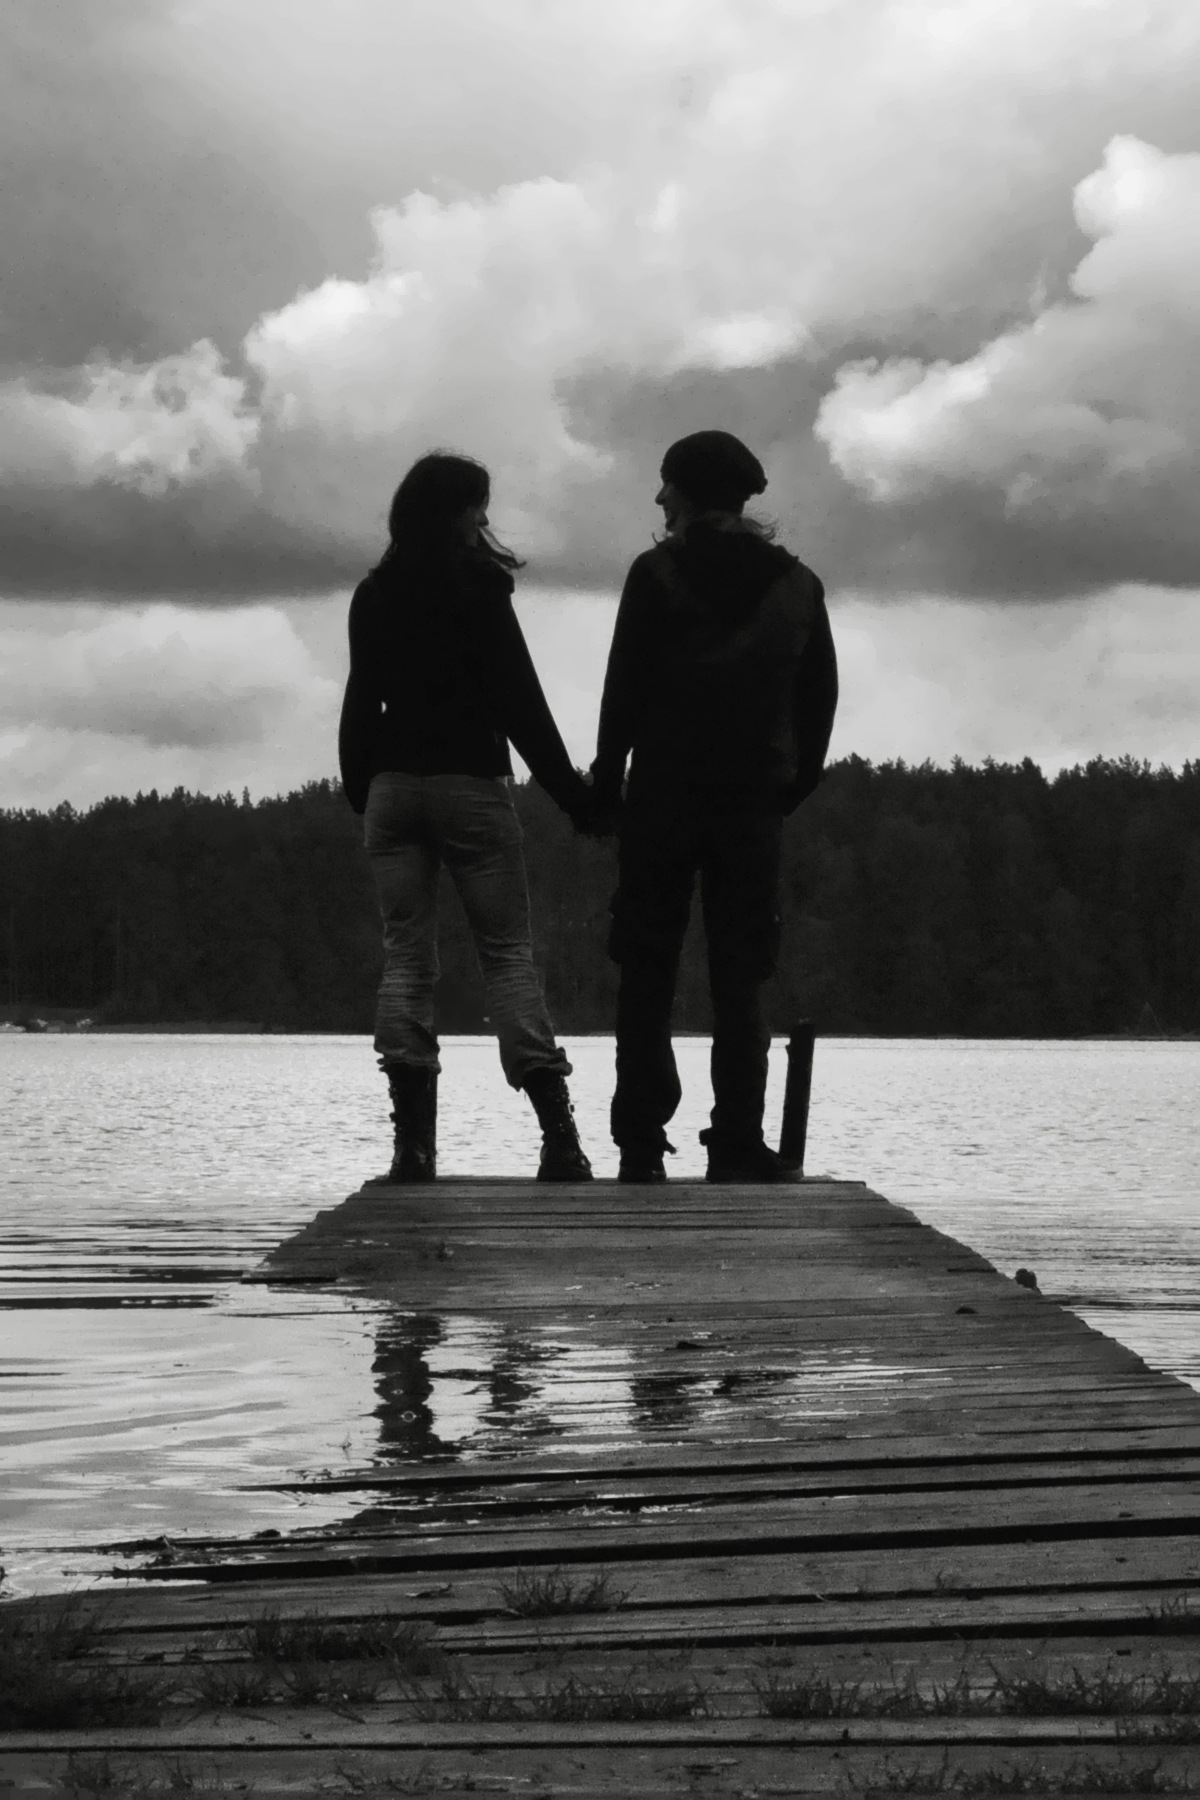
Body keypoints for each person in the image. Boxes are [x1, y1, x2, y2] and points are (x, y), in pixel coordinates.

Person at [339, 451, 594, 1184]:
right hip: (470, 784)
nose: (485, 518)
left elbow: (361, 698)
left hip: (393, 788)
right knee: (506, 956)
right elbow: (520, 701)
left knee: (406, 958)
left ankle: (413, 1150)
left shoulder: (374, 593)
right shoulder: (481, 590)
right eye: (479, 505)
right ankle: (560, 1142)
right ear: (456, 513)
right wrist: (572, 796)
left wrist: (362, 787)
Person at [591, 430, 838, 1184]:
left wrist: (606, 780)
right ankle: (736, 1141)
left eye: (667, 484)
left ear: (691, 493)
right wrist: (793, 784)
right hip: (752, 804)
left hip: (662, 797)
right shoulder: (799, 585)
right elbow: (819, 699)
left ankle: (640, 1142)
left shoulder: (655, 574)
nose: (659, 498)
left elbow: (624, 686)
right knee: (742, 975)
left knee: (647, 969)